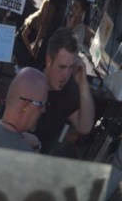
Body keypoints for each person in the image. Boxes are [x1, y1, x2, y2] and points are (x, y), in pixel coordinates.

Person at [32, 27, 95, 156]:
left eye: (71, 67)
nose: (65, 75)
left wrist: (83, 84)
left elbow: (85, 127)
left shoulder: (67, 92)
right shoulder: (29, 81)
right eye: (62, 67)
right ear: (49, 61)